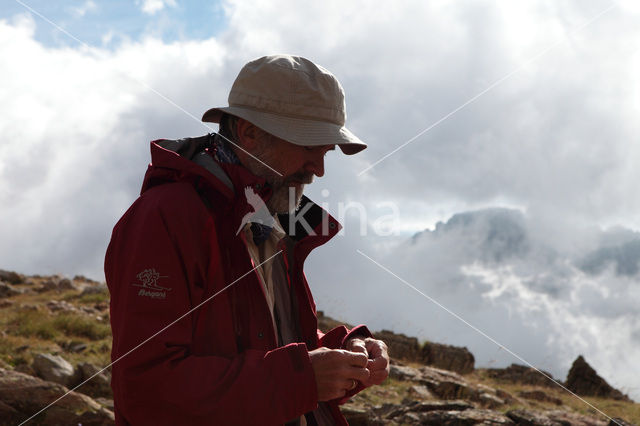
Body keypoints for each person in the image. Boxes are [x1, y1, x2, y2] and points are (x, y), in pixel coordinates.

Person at [105, 54, 389, 425]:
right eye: (309, 146)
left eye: (326, 151)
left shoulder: (269, 212)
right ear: (248, 132)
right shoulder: (165, 218)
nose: (319, 169)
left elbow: (262, 338)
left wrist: (340, 355)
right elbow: (145, 390)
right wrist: (301, 378)